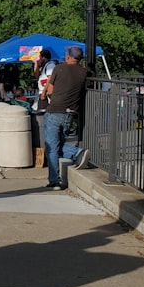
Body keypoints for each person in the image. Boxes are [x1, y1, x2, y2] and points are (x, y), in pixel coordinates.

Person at [43, 46, 91, 190]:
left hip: (55, 110)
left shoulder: (59, 68)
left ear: (69, 57)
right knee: (58, 144)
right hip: (71, 113)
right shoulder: (84, 72)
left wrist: (52, 96)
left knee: (51, 147)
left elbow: (50, 90)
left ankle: (55, 180)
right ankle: (77, 153)